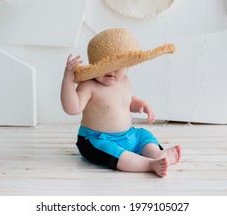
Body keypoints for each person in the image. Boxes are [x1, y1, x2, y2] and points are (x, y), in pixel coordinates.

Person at [60, 28, 181, 177]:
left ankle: (156, 154)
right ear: (95, 67)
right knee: (116, 154)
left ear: (128, 64)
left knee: (143, 136)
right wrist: (68, 80)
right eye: (104, 67)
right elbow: (72, 108)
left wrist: (141, 104)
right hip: (96, 139)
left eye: (117, 65)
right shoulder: (88, 86)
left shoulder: (125, 82)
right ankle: (149, 164)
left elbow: (127, 101)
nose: (110, 71)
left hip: (128, 134)